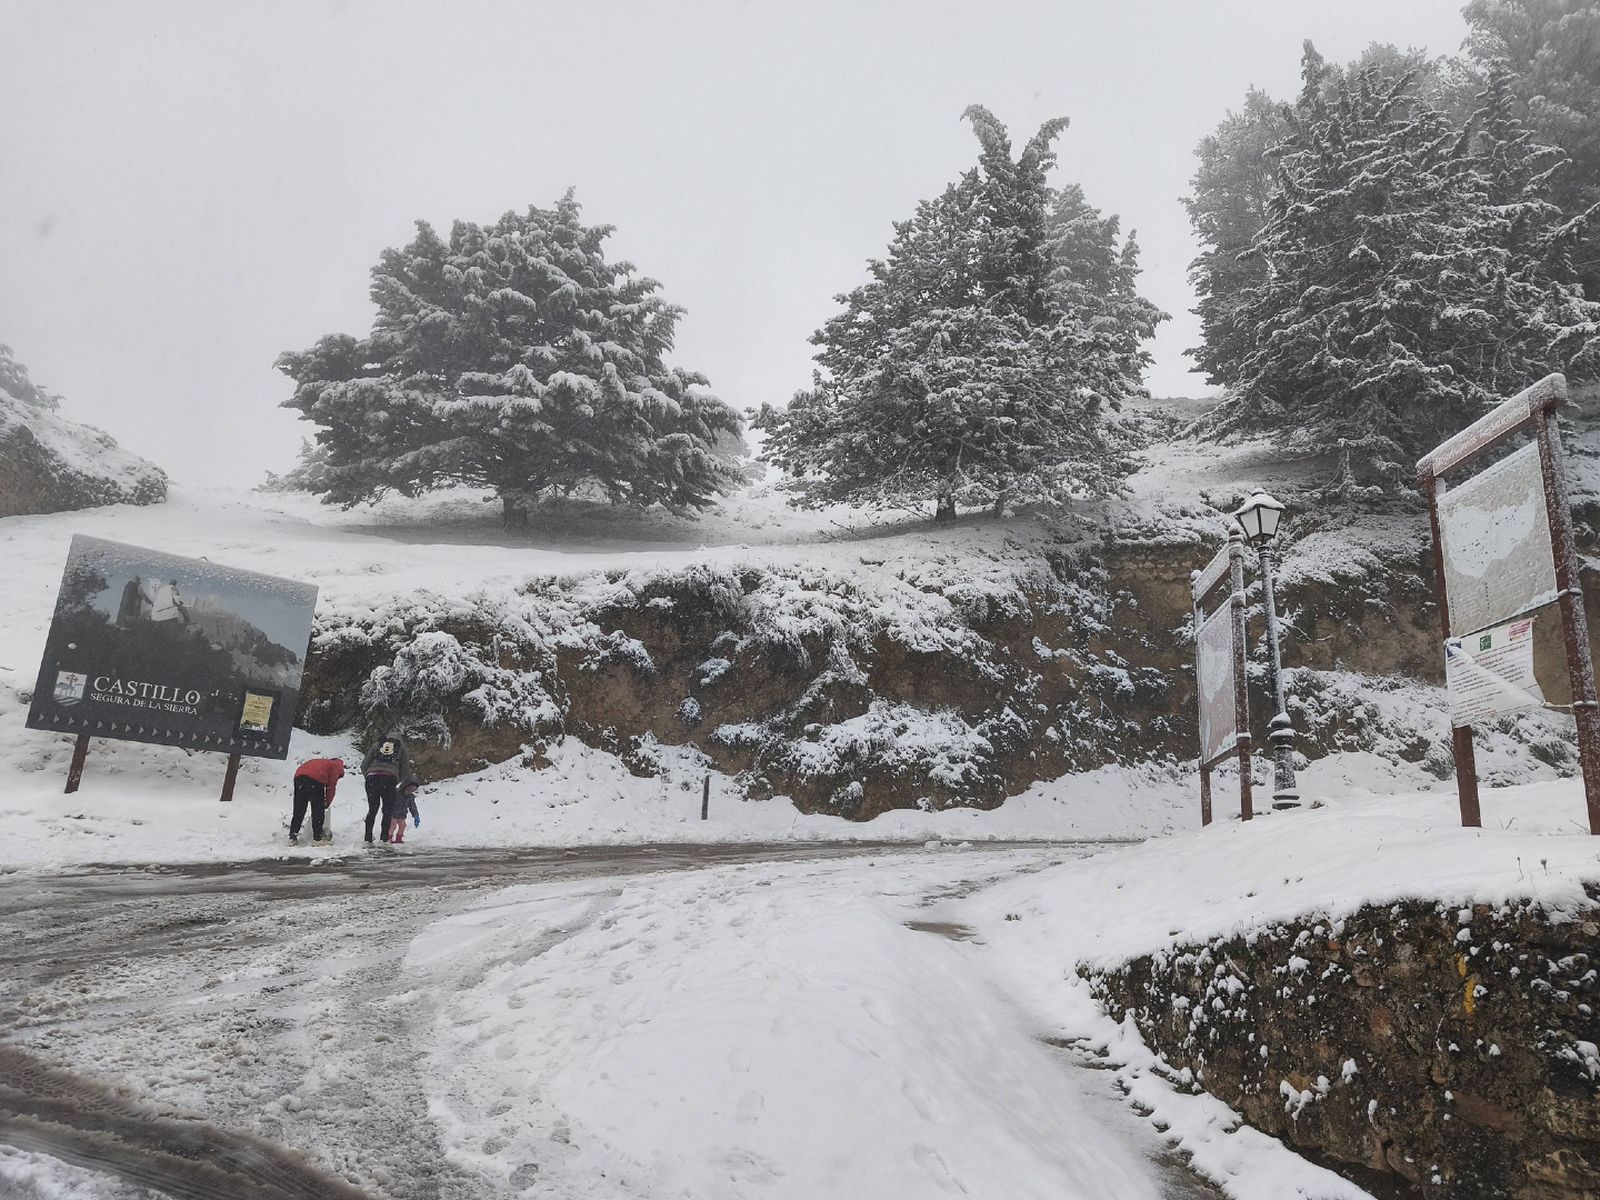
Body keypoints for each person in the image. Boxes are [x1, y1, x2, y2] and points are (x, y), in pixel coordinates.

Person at [361, 733, 410, 844]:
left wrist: (369, 775)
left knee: (372, 809)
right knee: (387, 810)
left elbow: (364, 764)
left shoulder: (377, 745)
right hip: (389, 779)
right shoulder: (401, 749)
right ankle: (384, 839)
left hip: (372, 778)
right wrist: (395, 779)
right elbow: (406, 769)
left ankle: (367, 838)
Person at [290, 755, 345, 846]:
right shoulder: (337, 766)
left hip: (299, 777)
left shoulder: (324, 763)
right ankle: (317, 838)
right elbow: (331, 787)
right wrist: (327, 802)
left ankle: (292, 837)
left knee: (299, 809)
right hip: (316, 779)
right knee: (318, 809)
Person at [387, 775, 421, 844]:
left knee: (403, 825)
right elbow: (388, 801)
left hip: (402, 814)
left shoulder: (410, 797)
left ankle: (399, 838)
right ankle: (389, 838)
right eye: (408, 789)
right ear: (404, 786)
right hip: (393, 813)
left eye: (412, 790)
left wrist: (416, 815)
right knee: (392, 826)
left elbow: (412, 807)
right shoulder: (396, 793)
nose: (409, 791)